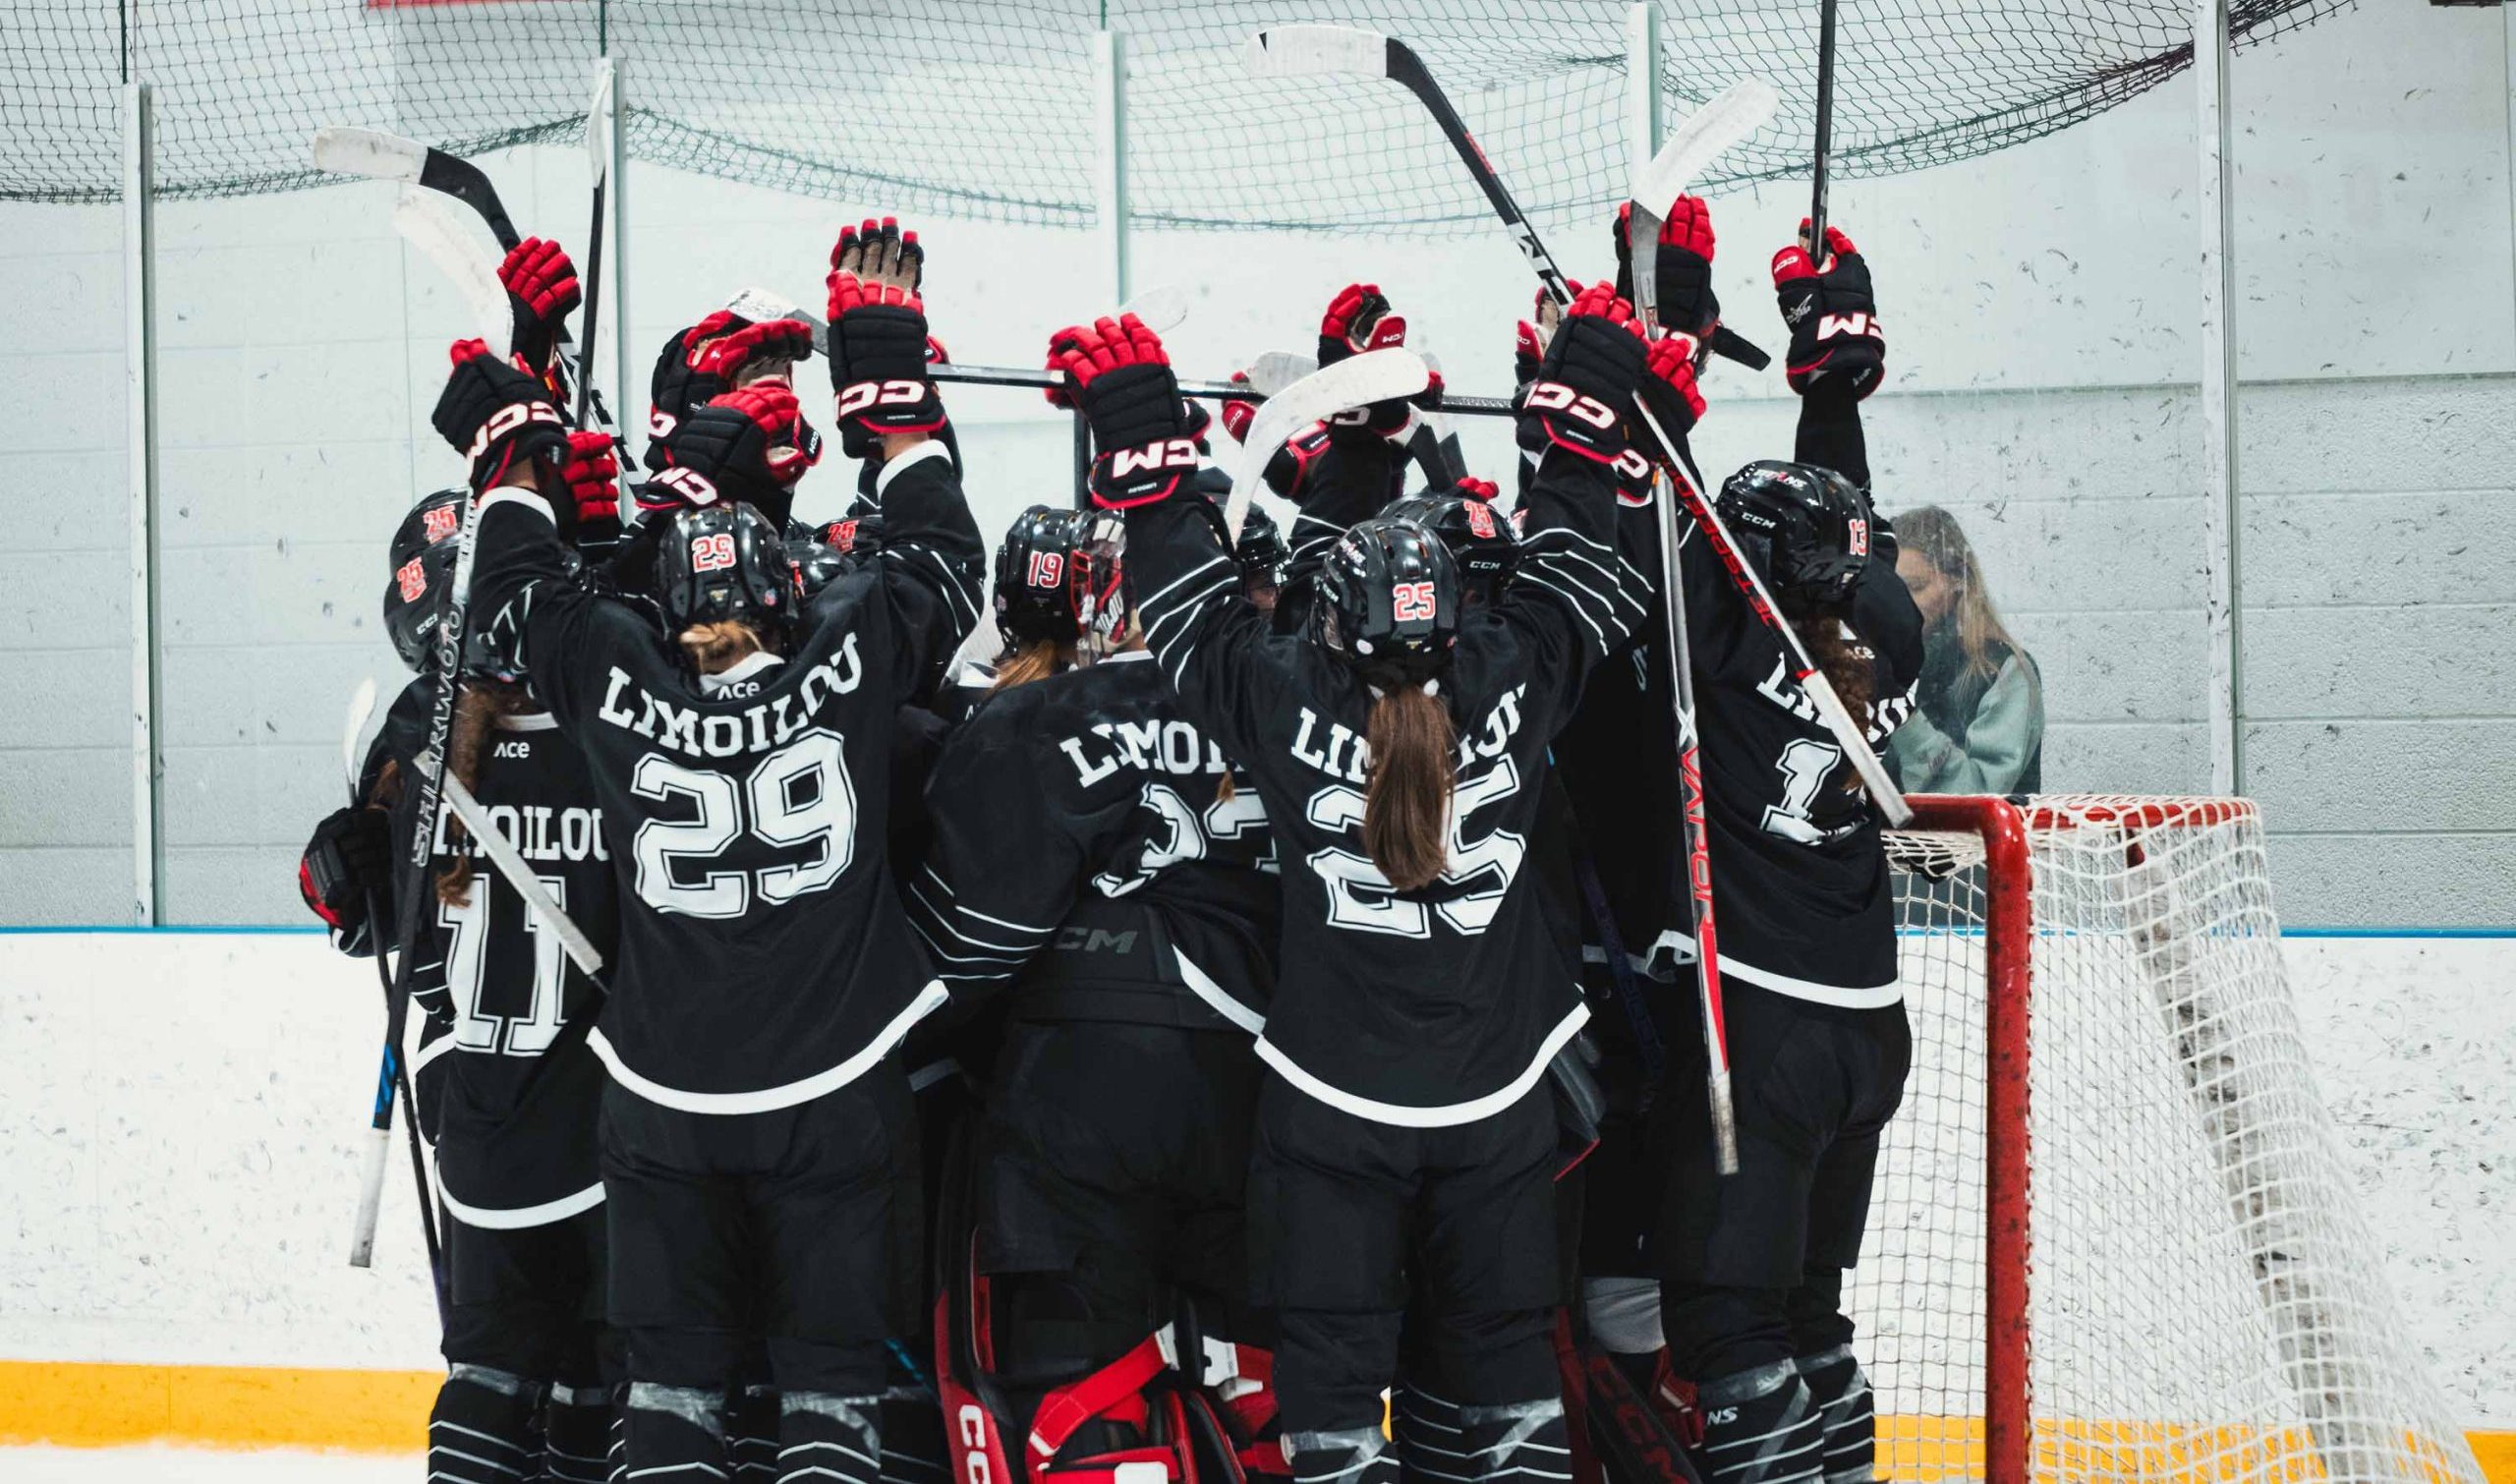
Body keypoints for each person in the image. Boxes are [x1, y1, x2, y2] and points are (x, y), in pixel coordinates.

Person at [1049, 287, 1681, 1484]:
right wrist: (1581, 409)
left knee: (1333, 1405)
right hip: (1495, 1114)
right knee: (1506, 1389)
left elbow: (1186, 611)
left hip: (1330, 1111)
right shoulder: (1516, 671)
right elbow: (1576, 575)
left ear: (1328, 630)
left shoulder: (1284, 697)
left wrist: (1139, 440)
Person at [441, 211, 984, 1481]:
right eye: (758, 376)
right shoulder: (784, 599)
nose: (784, 400)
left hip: (677, 1082)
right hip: (803, 1073)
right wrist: (893, 402)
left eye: (798, 376)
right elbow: (938, 573)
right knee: (777, 1396)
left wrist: (517, 448)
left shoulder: (626, 608)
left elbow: (521, 605)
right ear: (688, 409)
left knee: (713, 1398)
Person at [912, 505, 1285, 1484]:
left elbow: (971, 943)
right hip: (1269, 1100)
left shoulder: (1021, 713)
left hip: (1075, 1100)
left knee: (1087, 1399)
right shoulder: (1290, 701)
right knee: (1265, 1401)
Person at [1639, 223, 1924, 1484]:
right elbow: (1838, 526)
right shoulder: (1890, 640)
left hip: (1757, 1039)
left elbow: (1661, 506)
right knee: (1809, 1316)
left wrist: (1664, 335)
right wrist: (1826, 379)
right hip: (1866, 1026)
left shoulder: (1729, 658)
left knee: (1728, 1326)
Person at [1885, 505, 2043, 794]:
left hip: (1976, 839)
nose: (1901, 602)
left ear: (1958, 581)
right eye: (1892, 589)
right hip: (1891, 839)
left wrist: (1901, 718)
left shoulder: (2003, 670)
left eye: (1917, 586)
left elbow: (1978, 793)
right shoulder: (1887, 659)